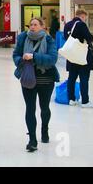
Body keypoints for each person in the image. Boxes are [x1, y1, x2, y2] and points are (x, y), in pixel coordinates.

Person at [13, 17, 59, 152]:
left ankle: (44, 130)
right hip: (28, 78)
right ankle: (32, 139)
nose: (32, 27)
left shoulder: (49, 40)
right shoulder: (22, 38)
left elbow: (52, 59)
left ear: (42, 27)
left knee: (44, 107)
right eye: (30, 25)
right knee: (30, 108)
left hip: (46, 79)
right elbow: (15, 54)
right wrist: (20, 59)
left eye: (35, 24)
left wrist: (34, 56)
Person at [64, 9, 93, 108]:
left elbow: (66, 38)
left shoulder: (67, 25)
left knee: (72, 78)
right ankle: (85, 101)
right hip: (82, 57)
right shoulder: (81, 24)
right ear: (82, 16)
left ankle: (71, 99)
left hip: (71, 56)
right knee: (84, 78)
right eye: (84, 18)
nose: (85, 19)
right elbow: (89, 38)